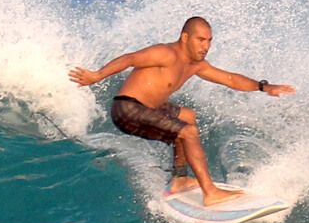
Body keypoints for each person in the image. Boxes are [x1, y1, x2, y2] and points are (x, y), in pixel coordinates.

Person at [69, 17, 296, 206]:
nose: (205, 46)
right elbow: (130, 59)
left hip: (149, 108)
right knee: (188, 132)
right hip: (128, 108)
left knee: (188, 117)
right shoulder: (165, 53)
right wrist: (97, 76)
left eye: (208, 41)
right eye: (200, 40)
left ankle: (179, 178)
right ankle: (210, 192)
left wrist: (264, 87)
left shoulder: (196, 65)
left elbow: (229, 79)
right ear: (185, 37)